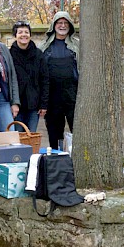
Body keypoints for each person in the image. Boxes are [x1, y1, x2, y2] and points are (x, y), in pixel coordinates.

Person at [39, 11, 79, 149]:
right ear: (54, 25)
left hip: (72, 94)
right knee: (54, 131)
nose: (62, 26)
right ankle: (56, 159)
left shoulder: (77, 46)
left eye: (66, 23)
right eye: (59, 23)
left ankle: (76, 157)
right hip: (52, 96)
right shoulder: (44, 47)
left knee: (77, 129)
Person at [9, 20, 49, 132]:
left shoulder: (39, 55)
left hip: (34, 105)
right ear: (15, 35)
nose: (23, 35)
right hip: (16, 105)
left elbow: (44, 80)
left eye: (26, 32)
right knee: (17, 138)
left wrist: (43, 104)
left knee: (31, 137)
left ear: (30, 35)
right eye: (20, 32)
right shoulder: (9, 55)